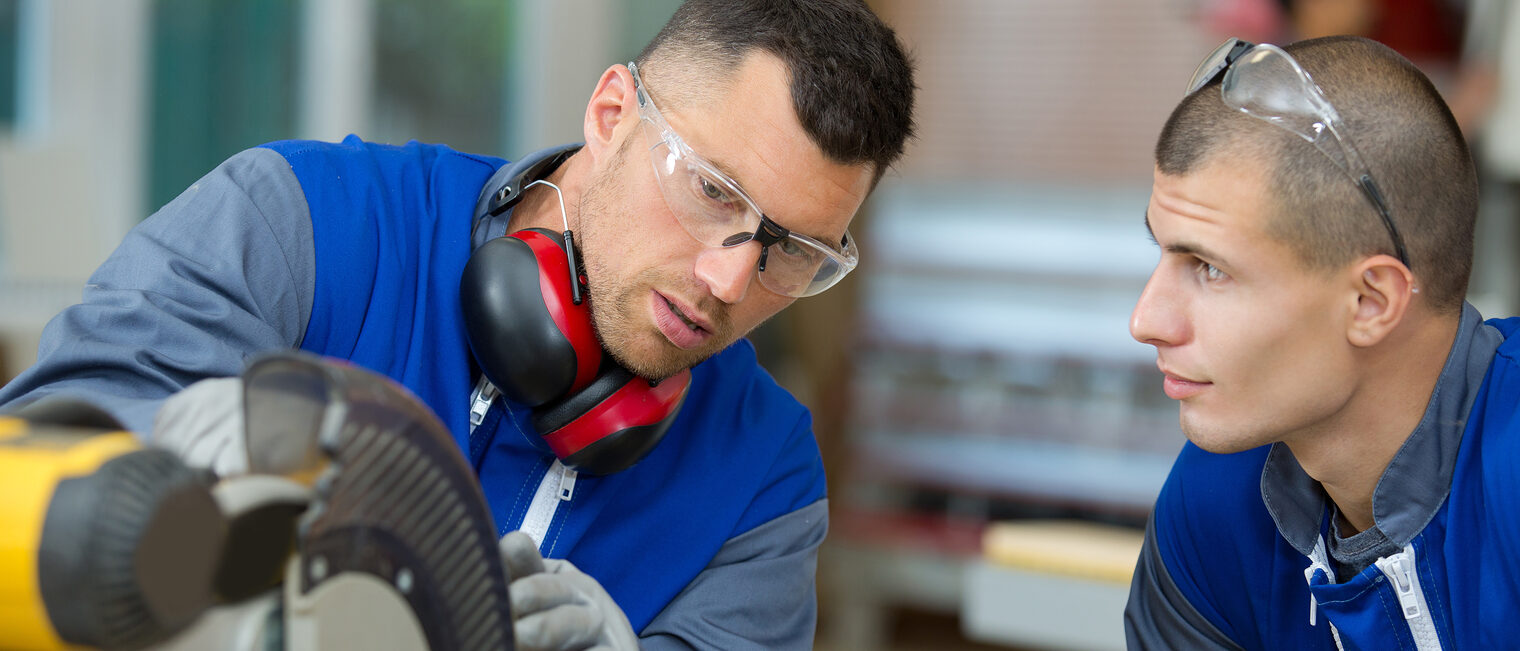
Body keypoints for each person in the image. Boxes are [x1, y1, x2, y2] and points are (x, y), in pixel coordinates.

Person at [0, 0, 916, 648]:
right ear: (610, 116)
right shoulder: (303, 220)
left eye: (792, 251)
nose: (729, 279)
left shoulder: (767, 475)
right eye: (711, 190)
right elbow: (30, 467)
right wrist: (173, 469)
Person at [1123, 35, 1520, 649]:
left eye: (1210, 268)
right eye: (1163, 252)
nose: (1146, 320)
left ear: (1372, 302)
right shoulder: (1215, 505)